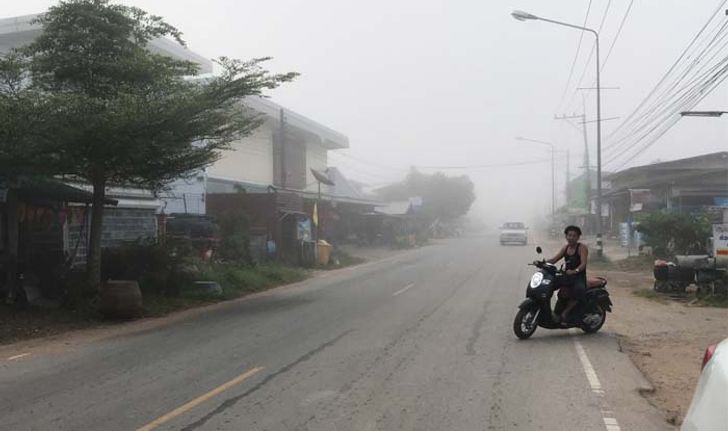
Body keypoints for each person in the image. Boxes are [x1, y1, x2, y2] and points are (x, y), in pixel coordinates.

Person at [544, 225, 588, 325]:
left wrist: (575, 271)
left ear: (578, 237)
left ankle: (565, 313)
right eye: (569, 235)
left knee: (579, 291)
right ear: (566, 236)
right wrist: (543, 263)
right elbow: (554, 259)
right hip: (567, 276)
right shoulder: (566, 248)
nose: (571, 238)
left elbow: (583, 264)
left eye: (574, 236)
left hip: (578, 277)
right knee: (550, 284)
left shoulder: (582, 248)